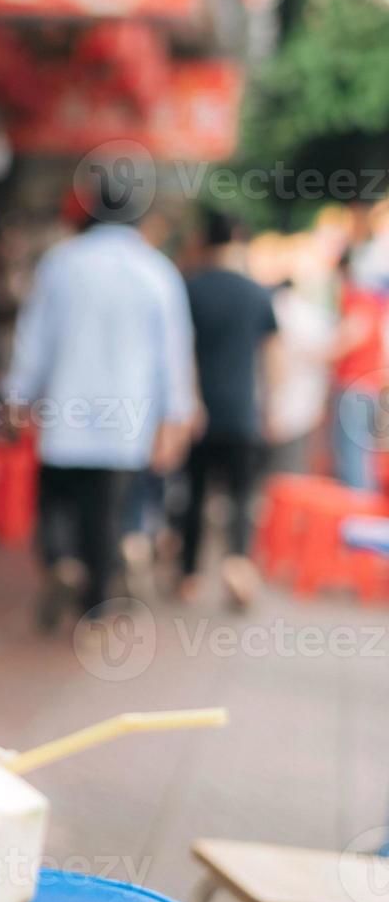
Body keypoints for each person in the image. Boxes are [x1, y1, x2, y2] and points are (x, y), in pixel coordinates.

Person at [3, 178, 196, 629]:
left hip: (64, 414)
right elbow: (174, 354)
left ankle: (61, 560)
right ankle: (95, 606)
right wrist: (176, 418)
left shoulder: (60, 263)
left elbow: (33, 339)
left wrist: (16, 397)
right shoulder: (157, 272)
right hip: (126, 422)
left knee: (55, 499)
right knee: (105, 512)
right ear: (141, 217)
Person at [175, 211, 279, 609]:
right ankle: (237, 563)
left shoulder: (189, 290)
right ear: (238, 240)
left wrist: (187, 401)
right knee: (240, 496)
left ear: (204, 240)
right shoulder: (257, 293)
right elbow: (271, 358)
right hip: (242, 412)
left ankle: (189, 575)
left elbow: (179, 353)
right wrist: (268, 409)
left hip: (196, 411)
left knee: (194, 495)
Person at [330, 250, 388, 491]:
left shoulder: (359, 298)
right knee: (362, 455)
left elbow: (353, 333)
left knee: (352, 456)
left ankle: (356, 517)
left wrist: (324, 352)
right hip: (369, 384)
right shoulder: (375, 301)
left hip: (355, 385)